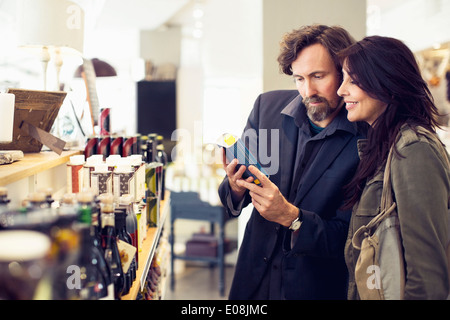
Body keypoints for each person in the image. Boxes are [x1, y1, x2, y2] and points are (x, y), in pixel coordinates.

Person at [218, 24, 367, 299]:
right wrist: (236, 186)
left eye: (318, 76)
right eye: (299, 78)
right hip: (252, 281)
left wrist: (292, 217)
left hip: (313, 287)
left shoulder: (365, 137)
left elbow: (351, 238)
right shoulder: (267, 108)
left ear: (345, 73)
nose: (308, 90)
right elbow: (231, 197)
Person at [337, 35, 450, 300]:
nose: (342, 90)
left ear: (386, 83)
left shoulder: (413, 149)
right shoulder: (384, 145)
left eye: (352, 80)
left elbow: (428, 279)